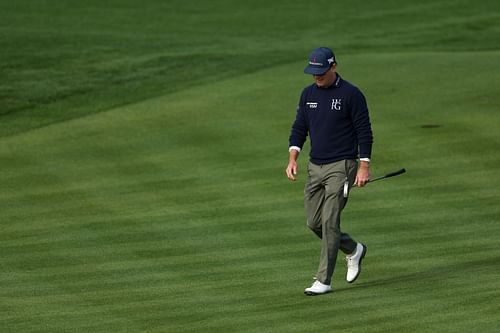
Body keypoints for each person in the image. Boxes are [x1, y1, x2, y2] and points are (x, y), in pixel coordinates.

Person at [286, 47, 374, 296]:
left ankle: (323, 280)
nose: (317, 77)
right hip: (315, 166)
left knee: (329, 220)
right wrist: (293, 158)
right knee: (314, 222)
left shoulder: (351, 94)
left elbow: (364, 131)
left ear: (333, 67)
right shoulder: (307, 94)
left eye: (321, 72)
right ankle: (353, 249)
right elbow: (299, 128)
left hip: (342, 165)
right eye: (313, 73)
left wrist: (364, 166)